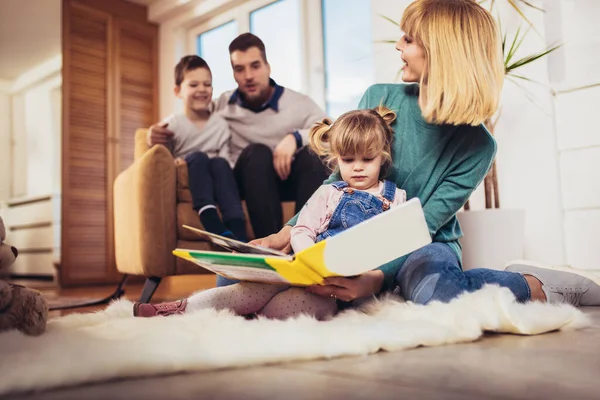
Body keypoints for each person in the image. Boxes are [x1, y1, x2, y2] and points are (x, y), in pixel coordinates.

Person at [253, 0, 600, 307]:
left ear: (442, 51)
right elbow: (336, 182)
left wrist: (376, 278)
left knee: (439, 292)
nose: (398, 45)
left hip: (423, 243)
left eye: (408, 39)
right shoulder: (379, 96)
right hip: (348, 237)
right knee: (244, 279)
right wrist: (286, 233)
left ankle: (533, 285)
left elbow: (422, 226)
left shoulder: (479, 146)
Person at [132, 106, 406, 319]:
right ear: (336, 160)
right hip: (309, 272)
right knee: (252, 289)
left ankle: (253, 319)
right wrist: (307, 255)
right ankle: (181, 309)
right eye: (348, 160)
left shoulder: (395, 198)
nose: (357, 167)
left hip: (348, 288)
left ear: (382, 157)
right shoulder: (330, 193)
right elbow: (302, 228)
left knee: (292, 307)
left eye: (367, 159)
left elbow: (396, 244)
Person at [214, 33, 329, 241]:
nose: (248, 75)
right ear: (233, 74)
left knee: (313, 154)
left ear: (268, 67)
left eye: (255, 66)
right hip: (247, 181)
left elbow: (332, 131)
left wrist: (295, 138)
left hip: (288, 181)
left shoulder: (299, 103)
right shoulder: (221, 104)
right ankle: (271, 249)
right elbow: (191, 120)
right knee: (257, 153)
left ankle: (304, 243)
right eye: (239, 69)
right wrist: (161, 130)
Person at [147, 55, 247, 242]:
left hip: (217, 177)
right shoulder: (172, 124)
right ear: (178, 91)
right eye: (193, 85)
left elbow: (226, 162)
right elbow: (160, 154)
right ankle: (208, 214)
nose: (202, 89)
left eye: (207, 84)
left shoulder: (220, 125)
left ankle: (236, 228)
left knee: (220, 163)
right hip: (191, 171)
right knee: (199, 157)